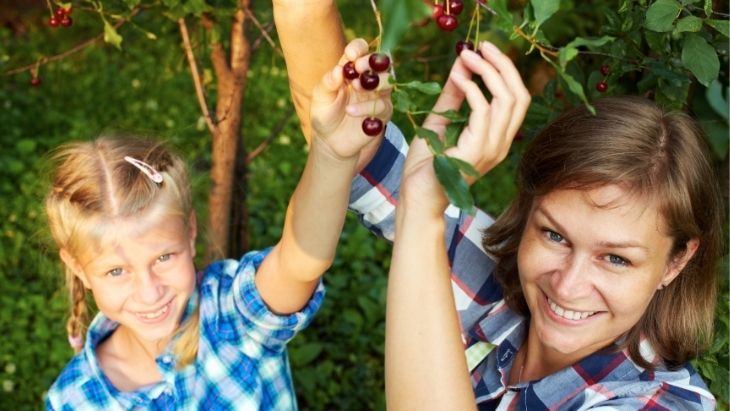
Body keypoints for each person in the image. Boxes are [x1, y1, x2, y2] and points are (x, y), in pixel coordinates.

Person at [274, 2, 722, 409]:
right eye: (554, 235)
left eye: (616, 259)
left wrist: (423, 215)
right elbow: (353, 148)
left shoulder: (660, 405)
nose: (567, 285)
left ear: (676, 262)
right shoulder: (502, 303)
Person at [43, 38, 392, 410]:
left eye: (163, 258)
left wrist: (332, 155)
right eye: (116, 271)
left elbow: (300, 261)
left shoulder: (230, 314)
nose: (149, 292)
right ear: (78, 267)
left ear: (190, 233)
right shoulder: (72, 399)